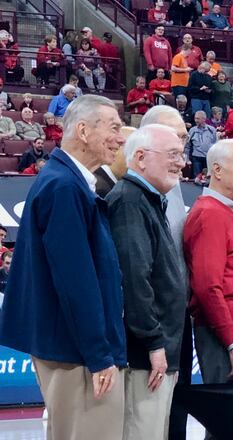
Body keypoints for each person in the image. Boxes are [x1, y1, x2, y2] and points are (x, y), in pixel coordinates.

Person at [0, 95, 126, 439]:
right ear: (83, 131)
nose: (122, 137)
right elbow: (75, 280)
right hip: (76, 353)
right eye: (114, 127)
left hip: (70, 348)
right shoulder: (64, 187)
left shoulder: (65, 181)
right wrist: (99, 355)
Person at [106, 124, 187, 440]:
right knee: (142, 432)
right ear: (140, 157)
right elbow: (135, 279)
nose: (181, 162)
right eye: (172, 155)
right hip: (144, 356)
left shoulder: (148, 200)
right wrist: (154, 343)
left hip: (157, 352)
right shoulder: (130, 201)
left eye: (181, 154)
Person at [183, 139, 233, 394]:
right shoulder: (211, 214)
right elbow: (207, 287)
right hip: (229, 329)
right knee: (231, 421)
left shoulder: (223, 211)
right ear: (217, 170)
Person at [186, 111, 217, 179]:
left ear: (204, 119)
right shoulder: (192, 130)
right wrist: (187, 159)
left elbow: (216, 145)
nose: (195, 120)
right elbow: (187, 146)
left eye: (197, 118)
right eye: (195, 118)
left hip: (208, 158)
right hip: (196, 158)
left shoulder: (212, 130)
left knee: (208, 177)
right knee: (196, 177)